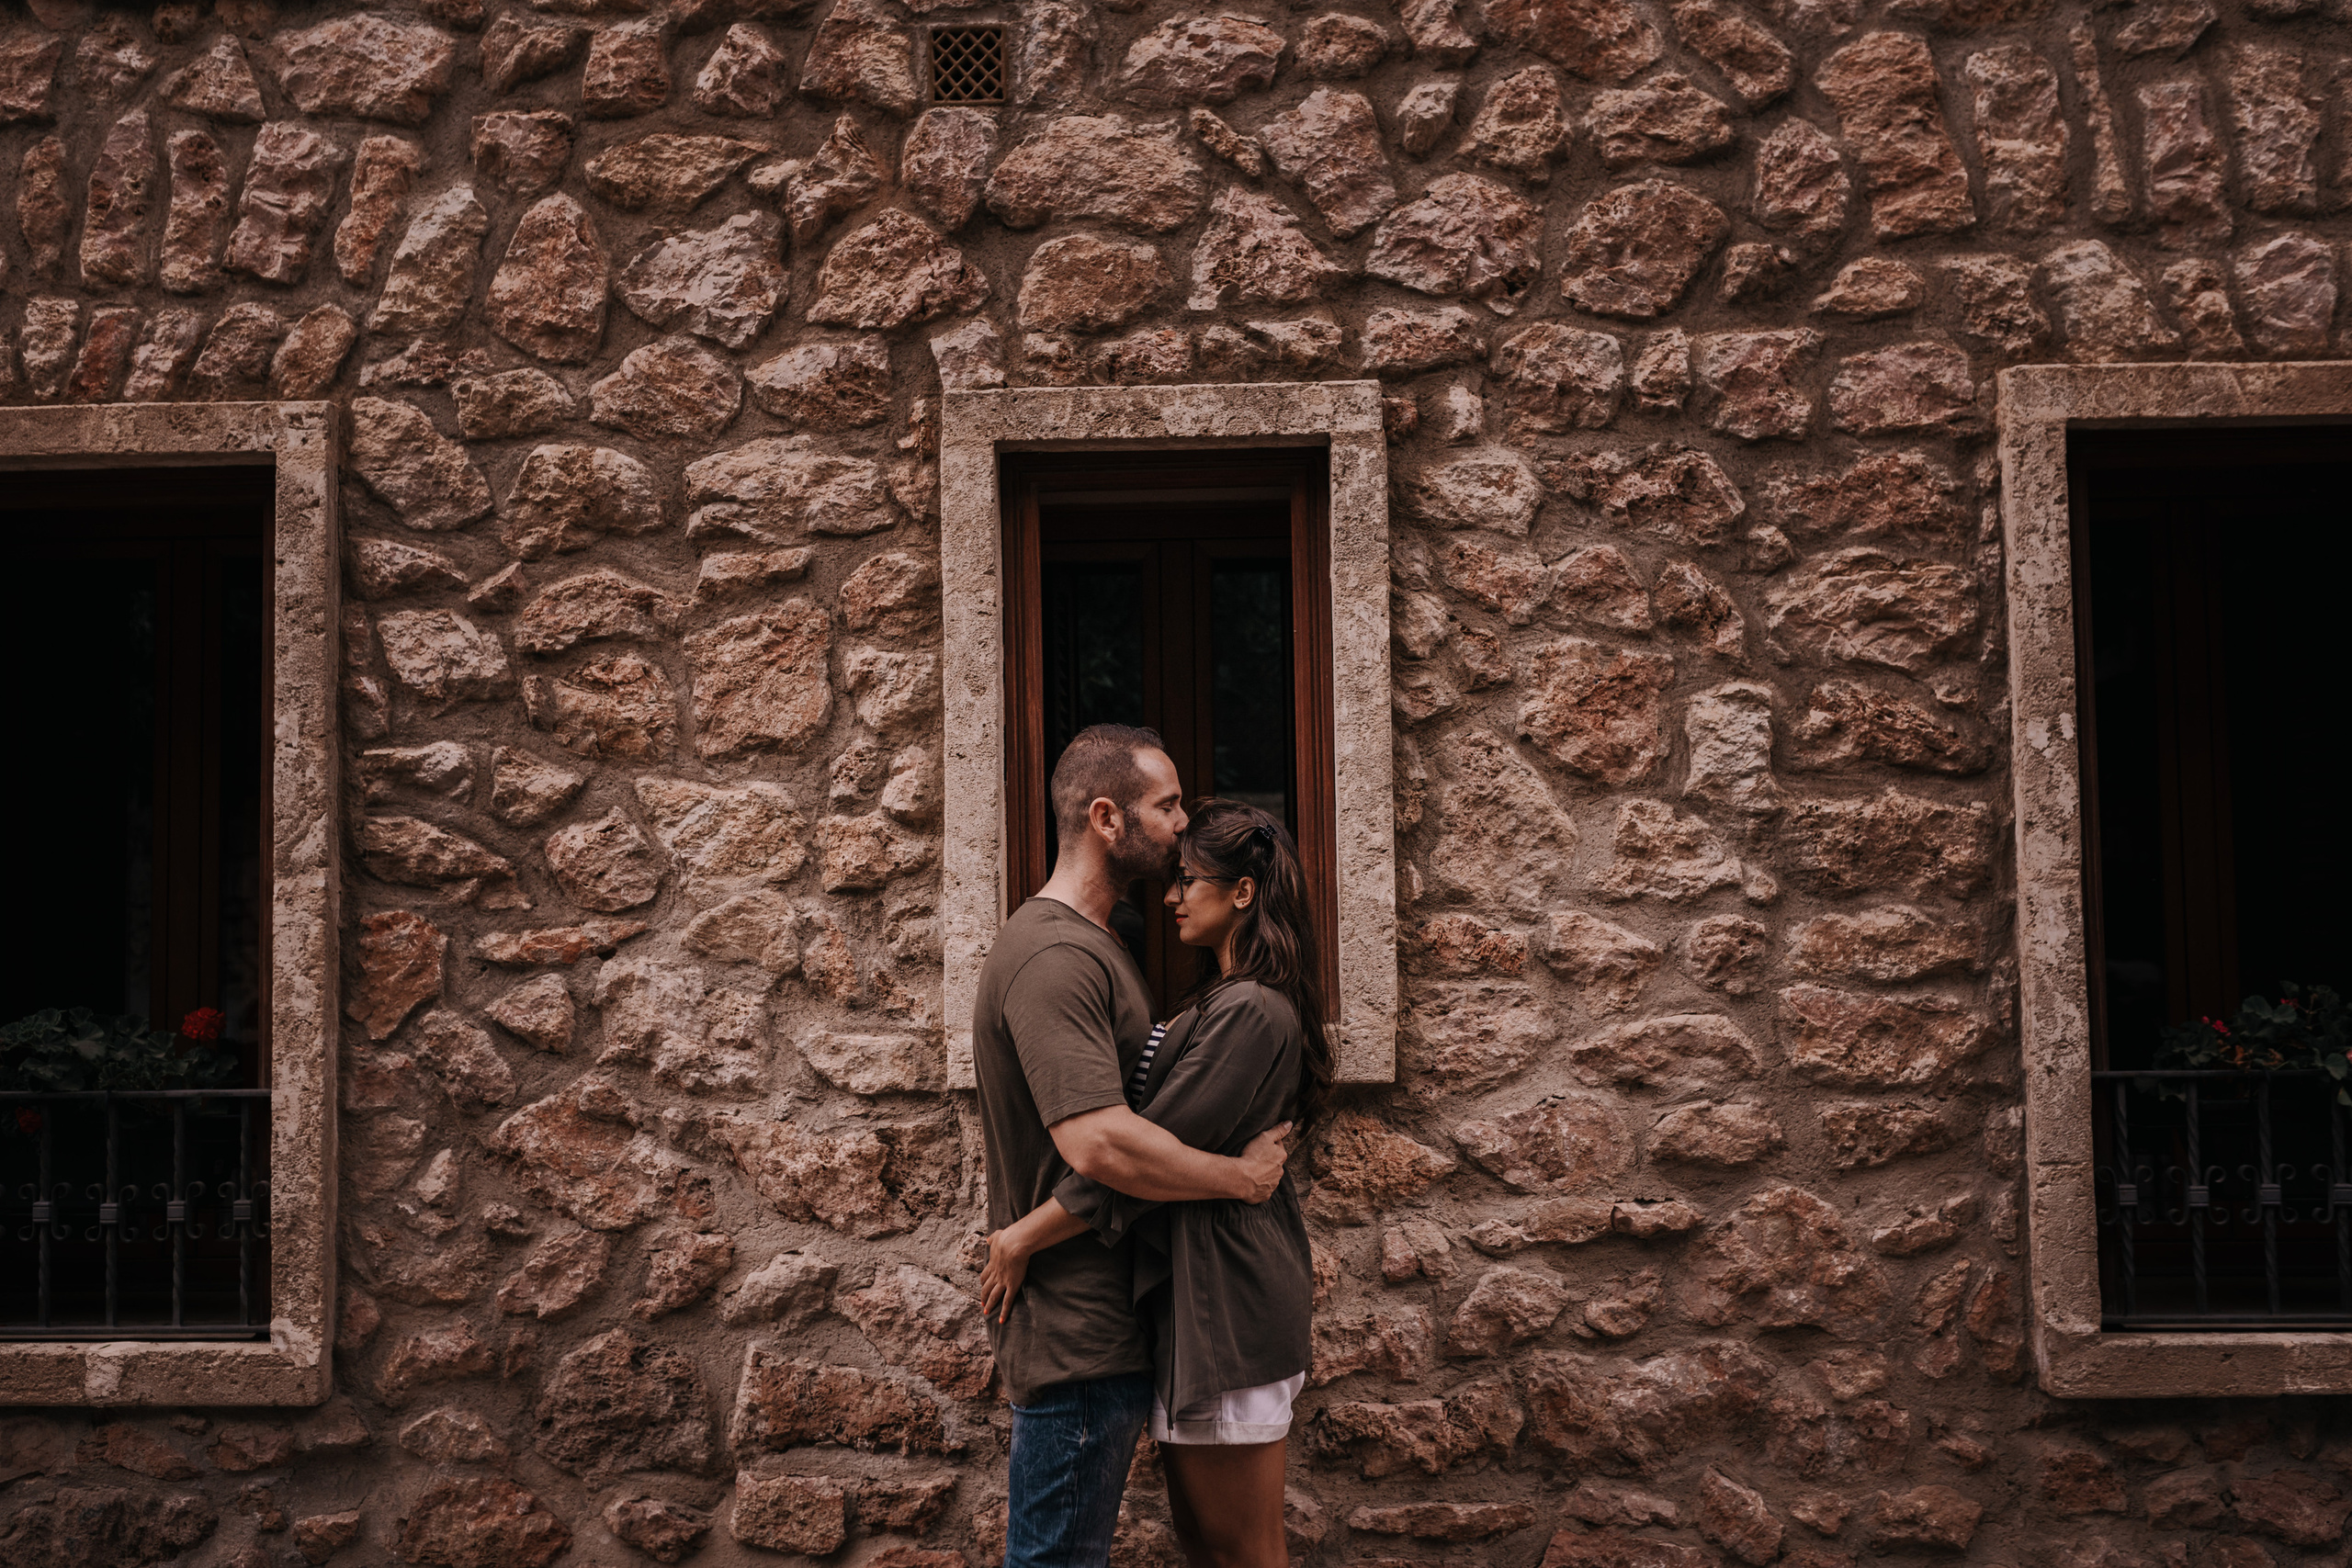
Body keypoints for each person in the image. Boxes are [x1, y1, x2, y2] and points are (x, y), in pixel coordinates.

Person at [970, 726, 1295, 1568]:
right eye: (1168, 805)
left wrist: (1024, 1232)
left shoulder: (1107, 951)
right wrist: (1238, 1177)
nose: (1184, 825)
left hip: (1110, 1327)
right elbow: (1103, 1144)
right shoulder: (1053, 955)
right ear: (1107, 817)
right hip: (1077, 1333)